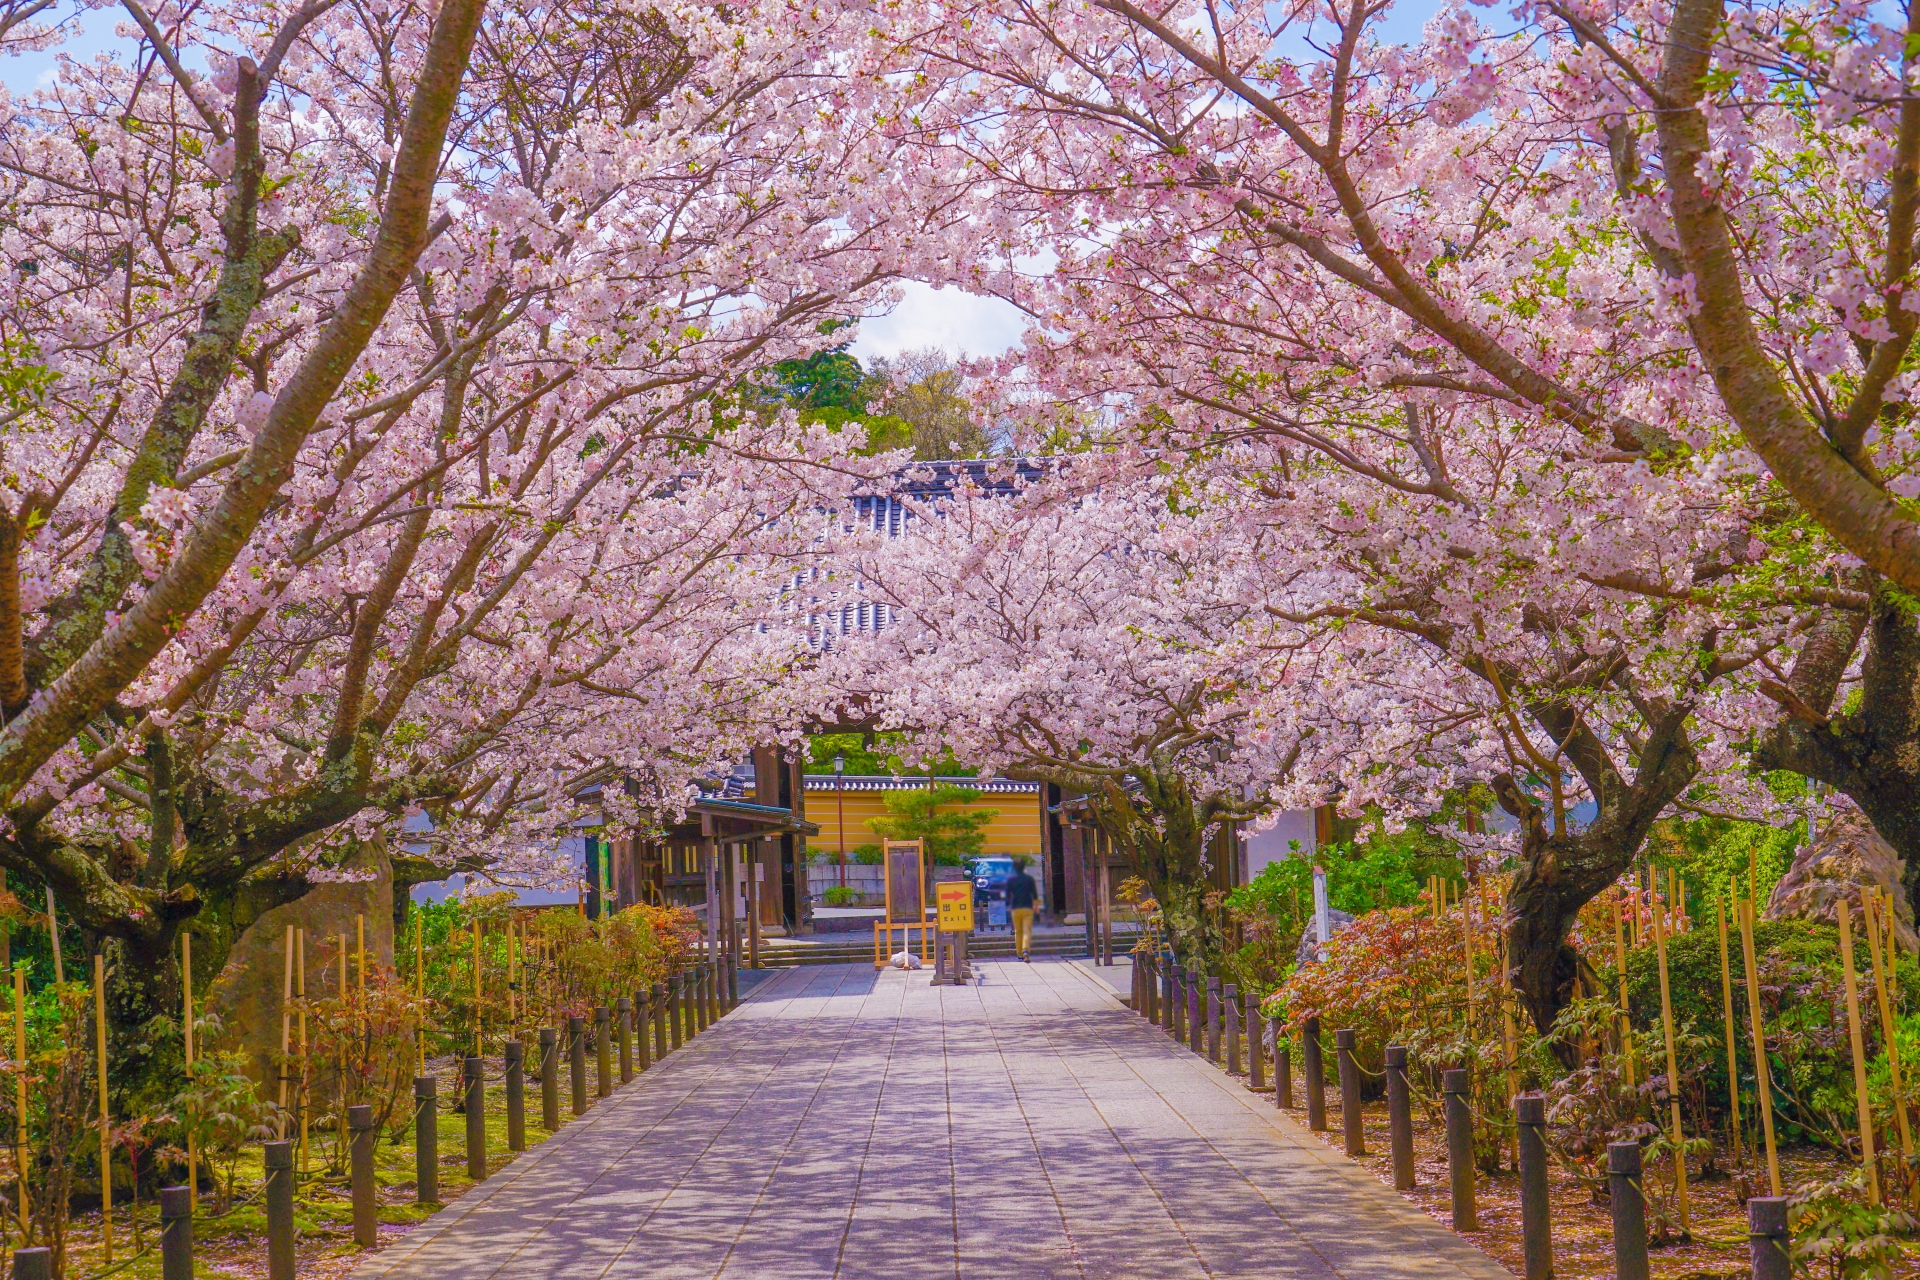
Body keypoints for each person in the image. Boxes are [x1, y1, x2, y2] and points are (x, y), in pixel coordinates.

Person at [1006, 855, 1040, 961]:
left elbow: (1007, 895)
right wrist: (1036, 907)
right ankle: (1026, 950)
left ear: (1014, 867)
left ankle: (1019, 953)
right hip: (1027, 908)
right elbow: (1034, 895)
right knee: (1027, 930)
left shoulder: (1011, 880)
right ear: (1023, 866)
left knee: (1018, 931)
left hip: (1016, 908)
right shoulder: (1029, 879)